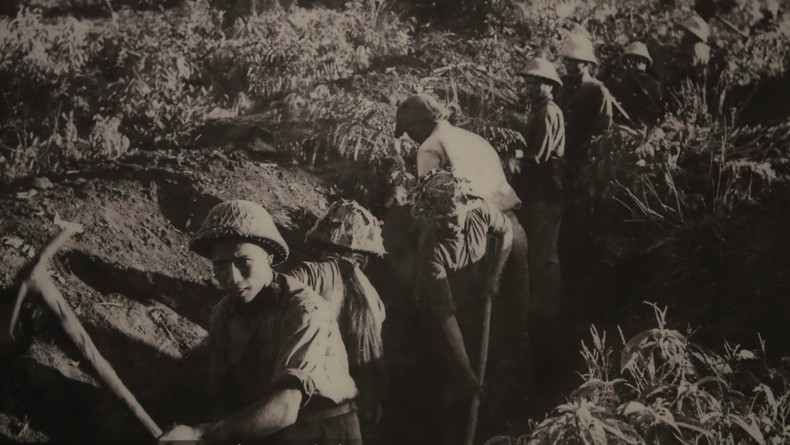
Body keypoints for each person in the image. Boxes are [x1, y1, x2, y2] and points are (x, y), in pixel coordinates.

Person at [159, 200, 362, 445]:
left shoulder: (304, 310)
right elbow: (220, 392)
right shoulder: (223, 314)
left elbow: (286, 406)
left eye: (243, 261)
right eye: (220, 264)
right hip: (268, 425)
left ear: (270, 257)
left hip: (325, 429)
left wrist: (202, 434)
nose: (232, 277)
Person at [411, 170, 514, 445]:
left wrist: (496, 276)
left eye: (452, 216)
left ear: (465, 208)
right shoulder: (431, 246)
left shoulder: (480, 211)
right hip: (443, 315)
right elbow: (445, 315)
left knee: (496, 367)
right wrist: (466, 370)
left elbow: (507, 232)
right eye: (440, 219)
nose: (448, 224)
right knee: (453, 384)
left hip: (478, 302)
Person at [287, 199, 387, 440]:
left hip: (308, 412)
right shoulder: (374, 295)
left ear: (322, 243)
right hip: (352, 413)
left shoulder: (307, 274)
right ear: (363, 257)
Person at [515, 57, 567, 411]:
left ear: (550, 85)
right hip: (540, 188)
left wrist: (514, 157)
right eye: (530, 81)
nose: (534, 87)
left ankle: (547, 309)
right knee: (539, 247)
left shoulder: (548, 111)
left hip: (548, 187)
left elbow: (538, 155)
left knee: (545, 251)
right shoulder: (538, 109)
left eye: (539, 82)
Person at [555, 33, 613, 177]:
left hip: (582, 161)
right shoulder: (560, 85)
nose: (567, 64)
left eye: (573, 60)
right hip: (557, 156)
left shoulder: (598, 91)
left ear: (586, 63)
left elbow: (602, 132)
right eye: (566, 60)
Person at [609, 42, 664, 125]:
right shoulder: (627, 80)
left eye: (636, 59)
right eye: (631, 59)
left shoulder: (647, 81)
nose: (632, 62)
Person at [668, 15, 711, 89]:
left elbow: (681, 71)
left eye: (687, 32)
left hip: (684, 87)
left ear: (692, 34)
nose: (684, 34)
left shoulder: (692, 49)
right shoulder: (703, 49)